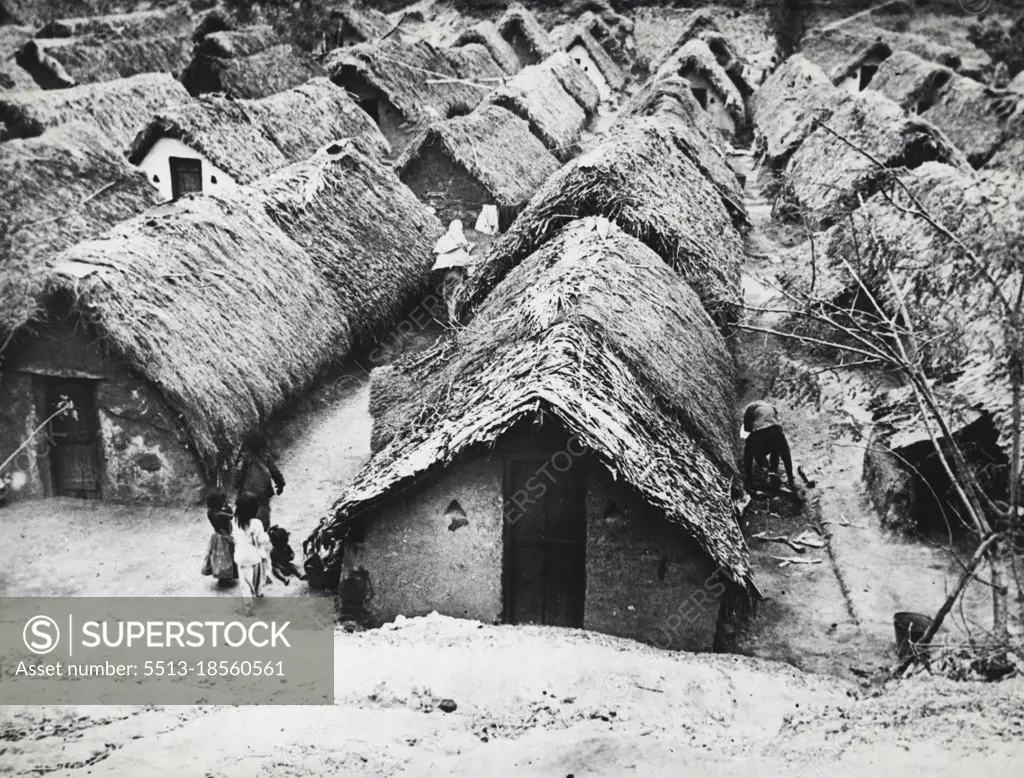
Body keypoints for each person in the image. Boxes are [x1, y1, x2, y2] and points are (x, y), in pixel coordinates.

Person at [742, 400, 800, 497]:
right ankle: (790, 480)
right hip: (776, 430)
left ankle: (751, 479)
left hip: (759, 433)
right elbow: (776, 421)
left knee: (749, 452)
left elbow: (747, 429)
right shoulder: (772, 408)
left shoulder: (750, 408)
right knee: (782, 453)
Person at [233, 432, 285, 532]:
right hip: (262, 497)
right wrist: (280, 484)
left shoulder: (243, 459)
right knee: (263, 524)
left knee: (246, 524)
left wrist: (237, 486)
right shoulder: (265, 457)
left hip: (246, 498)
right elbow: (275, 471)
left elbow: (237, 478)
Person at [233, 494, 273, 612]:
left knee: (244, 582)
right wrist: (267, 538)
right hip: (254, 557)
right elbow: (262, 540)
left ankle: (248, 605)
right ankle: (259, 593)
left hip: (240, 557)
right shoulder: (256, 523)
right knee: (257, 577)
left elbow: (234, 537)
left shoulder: (233, 522)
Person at [201, 489, 237, 584]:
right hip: (224, 537)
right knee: (226, 557)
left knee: (219, 558)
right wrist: (227, 506)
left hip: (216, 536)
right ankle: (225, 576)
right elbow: (231, 516)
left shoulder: (210, 512)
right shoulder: (220, 514)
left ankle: (222, 576)